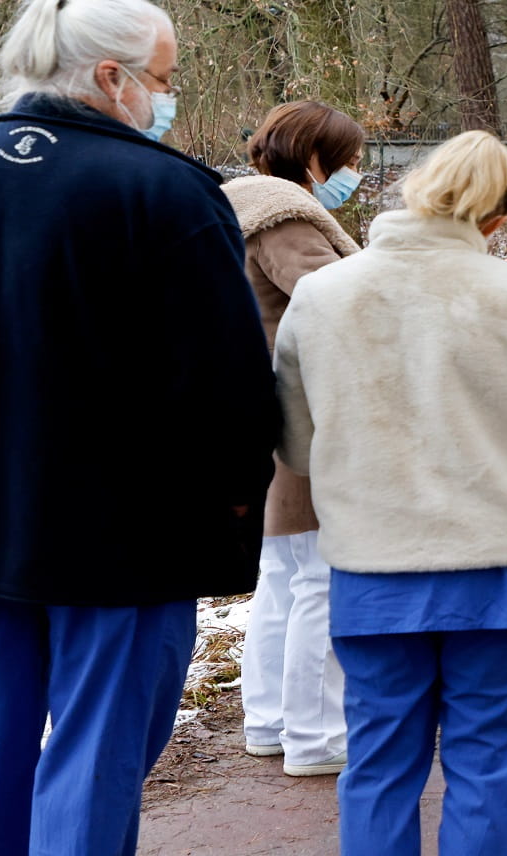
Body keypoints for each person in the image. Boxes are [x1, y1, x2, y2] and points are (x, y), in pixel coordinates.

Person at [0, 0, 279, 853]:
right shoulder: (168, 191)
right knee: (99, 753)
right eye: (162, 78)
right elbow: (223, 378)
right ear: (112, 76)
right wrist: (236, 501)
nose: (166, 98)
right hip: (128, 533)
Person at [275, 131, 507, 854]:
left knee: (377, 766)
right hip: (501, 571)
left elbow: (298, 448)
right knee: (487, 767)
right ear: (496, 220)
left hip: (374, 568)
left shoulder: (323, 295)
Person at [225, 101, 366, 777]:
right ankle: (314, 736)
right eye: (347, 159)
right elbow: (338, 300)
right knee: (319, 577)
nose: (355, 172)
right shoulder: (285, 217)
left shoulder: (239, 203)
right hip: (305, 416)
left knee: (284, 578)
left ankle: (273, 721)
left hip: (263, 410)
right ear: (312, 158)